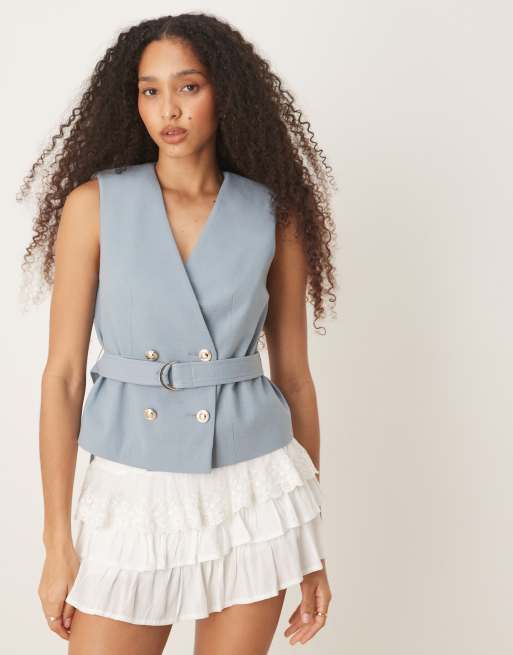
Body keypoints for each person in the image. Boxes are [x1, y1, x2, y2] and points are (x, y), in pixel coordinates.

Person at [20, 12, 337, 654]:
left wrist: (309, 539)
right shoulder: (93, 206)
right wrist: (57, 540)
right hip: (132, 488)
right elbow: (63, 377)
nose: (169, 108)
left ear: (226, 92)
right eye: (150, 90)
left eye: (189, 87)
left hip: (252, 493)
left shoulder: (274, 215)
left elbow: (296, 380)